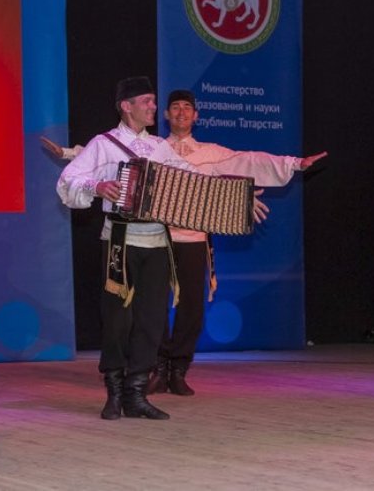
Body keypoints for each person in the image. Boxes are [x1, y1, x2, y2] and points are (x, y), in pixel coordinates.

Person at [46, 89, 326, 396]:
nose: (176, 111)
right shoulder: (141, 145)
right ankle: (143, 373)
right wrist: (82, 168)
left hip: (182, 236)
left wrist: (276, 174)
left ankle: (171, 371)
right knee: (132, 311)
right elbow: (103, 156)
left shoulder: (191, 151)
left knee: (178, 307)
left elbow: (241, 164)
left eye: (186, 107)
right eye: (170, 106)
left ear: (196, 115)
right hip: (144, 236)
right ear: (164, 115)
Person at [55, 76, 267, 421]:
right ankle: (114, 392)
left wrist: (238, 200)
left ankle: (137, 394)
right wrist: (98, 185)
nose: (154, 107)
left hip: (156, 241)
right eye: (148, 101)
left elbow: (194, 182)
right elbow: (68, 180)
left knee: (152, 319)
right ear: (127, 106)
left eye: (154, 101)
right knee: (117, 319)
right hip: (120, 240)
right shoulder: (103, 144)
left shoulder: (159, 147)